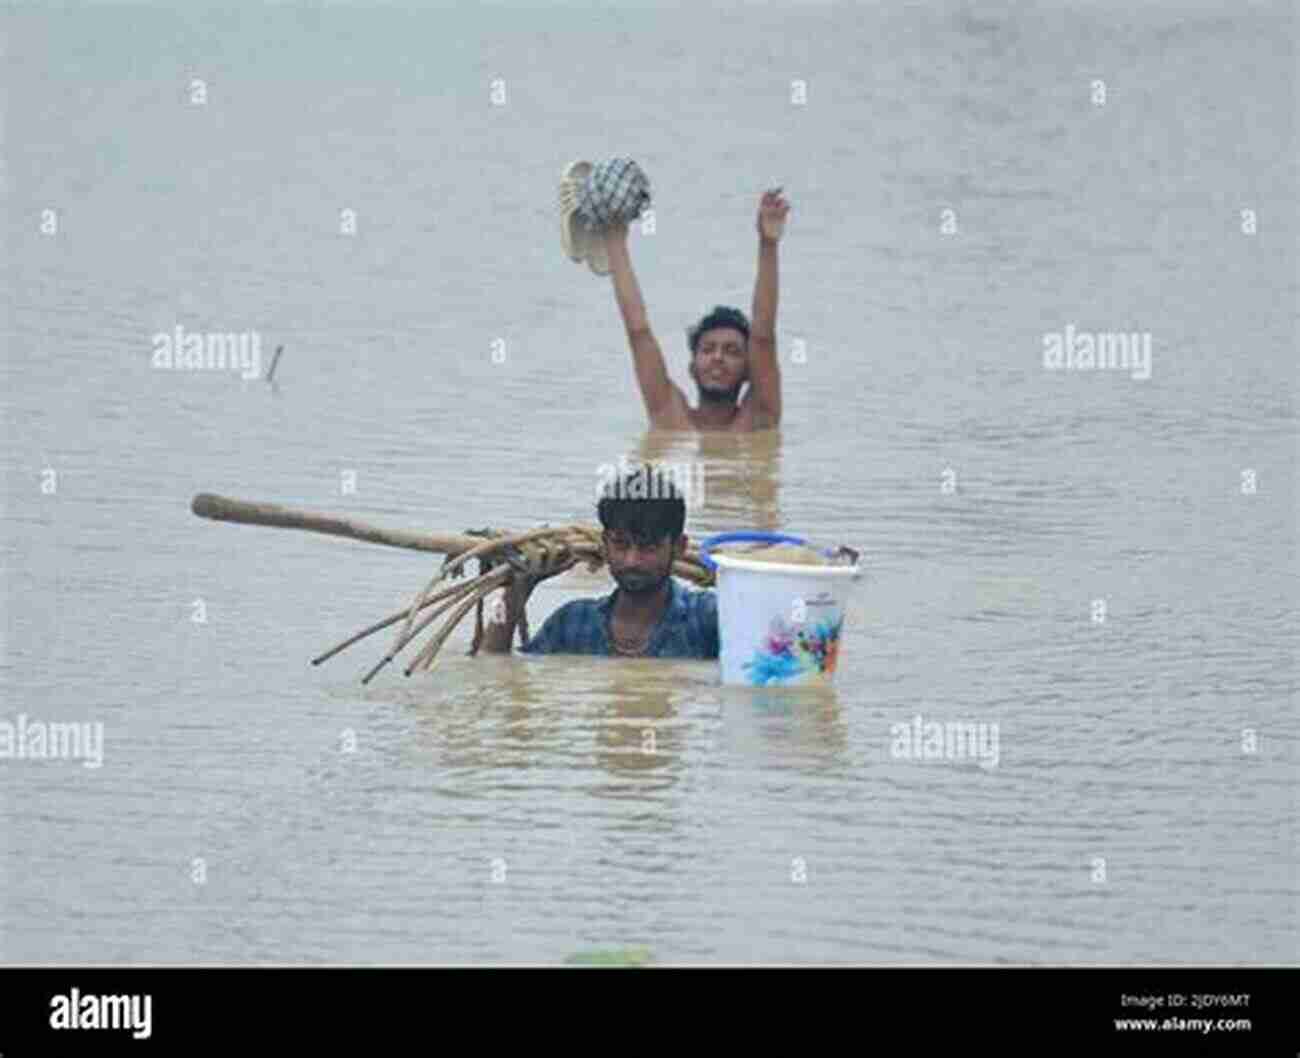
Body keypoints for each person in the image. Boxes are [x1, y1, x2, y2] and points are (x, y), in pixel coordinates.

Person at [479, 465, 718, 658]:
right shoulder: (572, 623)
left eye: (648, 547)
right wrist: (515, 592)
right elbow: (493, 669)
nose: (632, 560)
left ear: (678, 547)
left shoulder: (708, 619)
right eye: (621, 544)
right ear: (605, 544)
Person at [602, 188, 790, 432]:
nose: (718, 358)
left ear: (748, 371)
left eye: (732, 351)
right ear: (692, 367)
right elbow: (638, 331)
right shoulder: (669, 416)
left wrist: (768, 244)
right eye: (708, 349)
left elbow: (763, 338)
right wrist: (614, 240)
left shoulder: (758, 419)